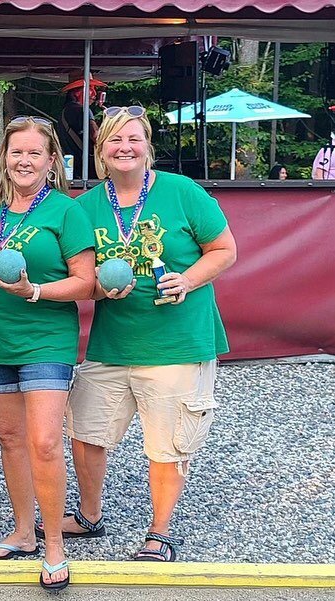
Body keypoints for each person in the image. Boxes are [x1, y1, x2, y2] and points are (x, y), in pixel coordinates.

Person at [62, 105, 237, 562]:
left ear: (148, 147)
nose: (125, 148)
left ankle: (158, 533)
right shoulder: (84, 207)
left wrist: (188, 279)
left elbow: (224, 250)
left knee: (166, 443)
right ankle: (89, 514)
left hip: (177, 342)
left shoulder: (181, 192)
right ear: (100, 151)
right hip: (113, 343)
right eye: (115, 141)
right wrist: (98, 286)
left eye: (134, 139)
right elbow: (77, 272)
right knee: (86, 431)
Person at [0, 116, 96, 590]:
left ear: (51, 160)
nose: (24, 160)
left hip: (46, 340)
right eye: (16, 152)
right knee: (11, 440)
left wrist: (35, 290)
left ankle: (53, 543)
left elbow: (87, 281)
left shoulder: (65, 211)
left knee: (44, 442)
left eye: (35, 153)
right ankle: (23, 532)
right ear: (4, 158)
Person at [56, 73, 106, 180]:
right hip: (88, 172)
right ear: (77, 92)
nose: (94, 93)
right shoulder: (83, 111)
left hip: (72, 170)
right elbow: (98, 137)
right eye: (90, 88)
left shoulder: (64, 112)